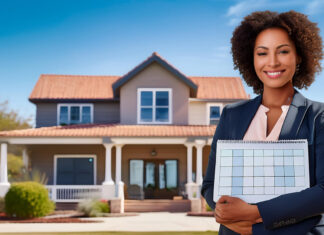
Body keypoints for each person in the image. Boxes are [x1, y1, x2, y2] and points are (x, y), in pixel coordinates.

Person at [201, 10, 324, 235]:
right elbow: (210, 183)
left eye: (283, 51)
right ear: (251, 58)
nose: (273, 62)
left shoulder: (318, 116)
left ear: (300, 56)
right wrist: (222, 209)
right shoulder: (231, 115)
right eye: (262, 53)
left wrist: (255, 215)